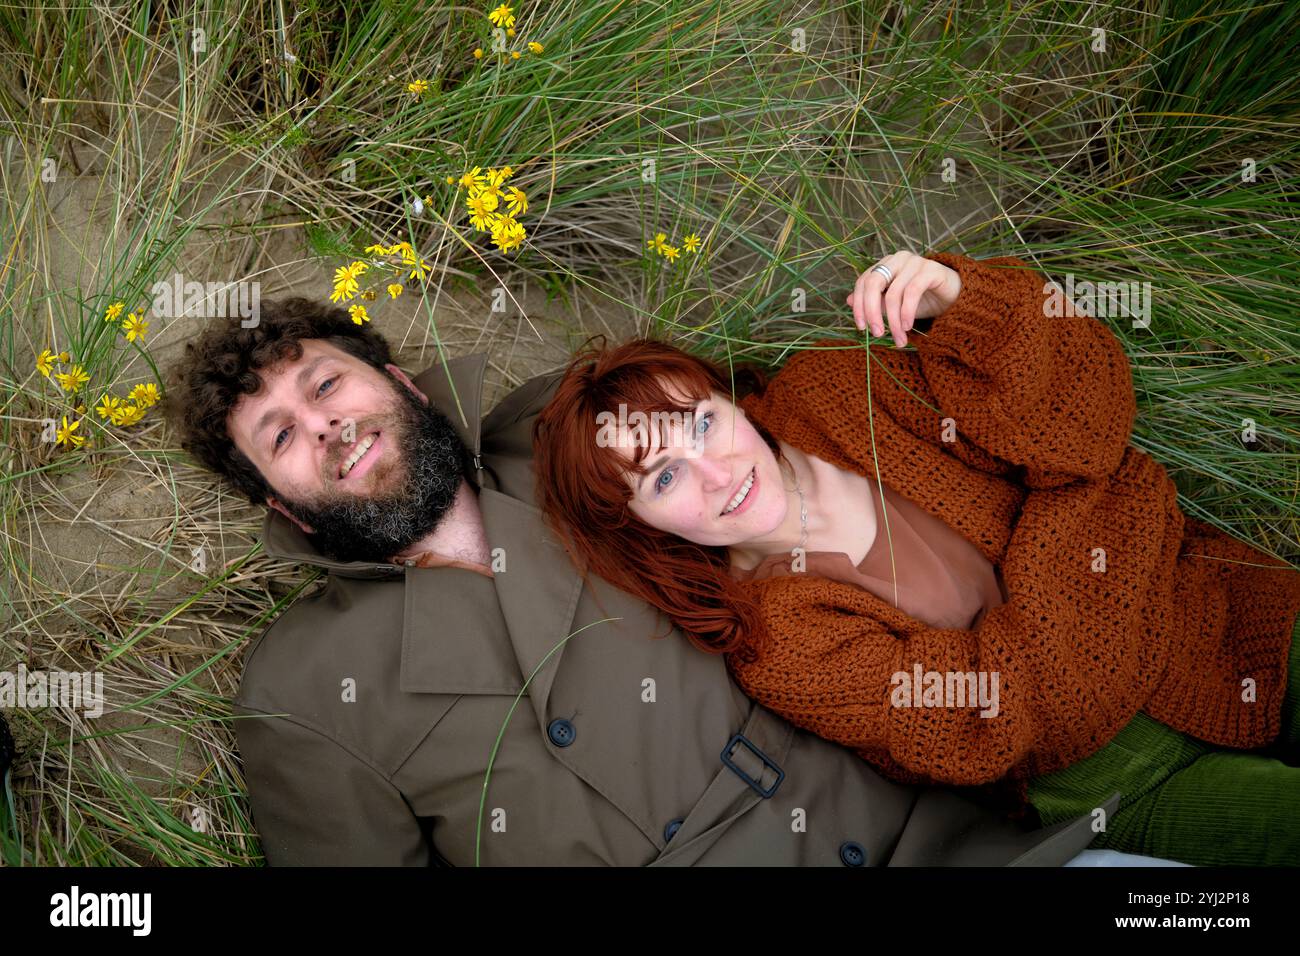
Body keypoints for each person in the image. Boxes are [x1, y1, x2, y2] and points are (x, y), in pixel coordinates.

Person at [160, 295, 1124, 866]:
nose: (324, 426)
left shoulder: (562, 439)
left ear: (404, 385)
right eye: (279, 435)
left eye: (325, 386)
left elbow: (785, 436)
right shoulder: (304, 688)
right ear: (281, 508)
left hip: (939, 843)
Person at [531, 249, 1300, 866]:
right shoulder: (777, 643)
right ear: (639, 524)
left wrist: (963, 303)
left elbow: (1084, 411)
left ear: (727, 399)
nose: (715, 472)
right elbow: (1003, 715)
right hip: (1119, 779)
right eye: (663, 478)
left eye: (700, 426)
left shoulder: (838, 388)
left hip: (1224, 612)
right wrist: (1102, 498)